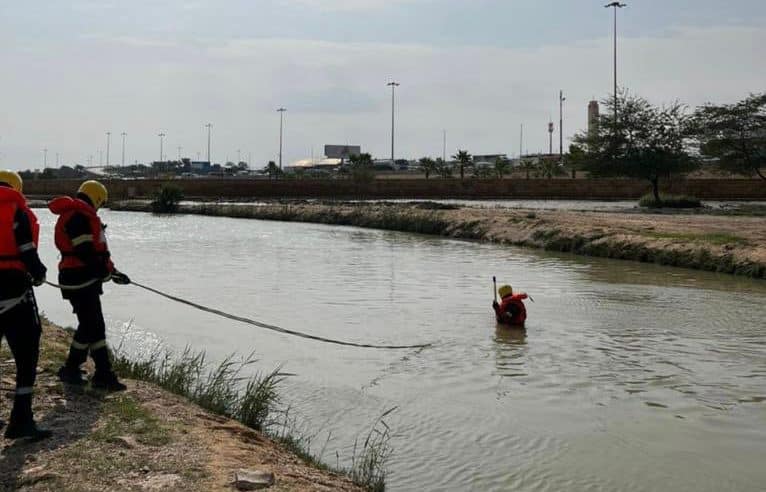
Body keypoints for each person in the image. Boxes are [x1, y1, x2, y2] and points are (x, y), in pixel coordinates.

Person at [48, 180, 130, 391]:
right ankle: (101, 374)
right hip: (80, 279)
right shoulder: (78, 218)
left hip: (80, 278)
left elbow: (98, 254)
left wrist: (113, 272)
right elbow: (85, 252)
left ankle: (75, 369)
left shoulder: (80, 216)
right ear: (96, 199)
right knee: (95, 326)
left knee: (88, 325)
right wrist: (102, 272)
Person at [0, 170, 52, 440]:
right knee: (27, 352)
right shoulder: (16, 212)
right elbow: (26, 250)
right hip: (13, 292)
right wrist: (39, 273)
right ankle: (21, 419)